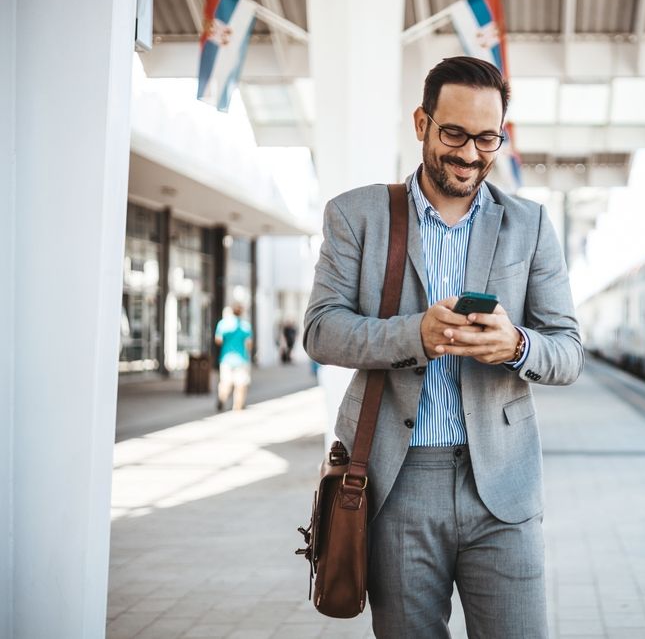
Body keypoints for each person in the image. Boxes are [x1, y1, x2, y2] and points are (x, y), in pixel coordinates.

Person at [304, 56, 583, 638]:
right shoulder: (356, 215)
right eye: (453, 133)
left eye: (487, 138)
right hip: (398, 482)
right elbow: (321, 329)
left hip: (503, 485)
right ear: (421, 123)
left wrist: (516, 345)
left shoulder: (529, 225)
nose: (469, 154)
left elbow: (568, 351)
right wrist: (416, 336)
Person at [215, 303, 253, 411]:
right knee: (240, 385)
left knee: (225, 382)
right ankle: (237, 406)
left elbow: (218, 341)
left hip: (226, 358)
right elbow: (249, 344)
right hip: (241, 359)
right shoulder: (245, 326)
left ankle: (222, 399)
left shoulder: (223, 324)